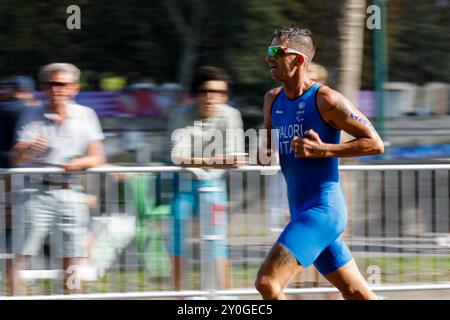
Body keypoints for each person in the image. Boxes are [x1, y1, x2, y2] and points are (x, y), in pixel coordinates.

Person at [255, 26, 384, 300]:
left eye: (277, 51)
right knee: (357, 294)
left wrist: (324, 149)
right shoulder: (271, 100)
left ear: (299, 59)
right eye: (269, 50)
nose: (269, 57)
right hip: (300, 210)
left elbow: (375, 143)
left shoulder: (326, 99)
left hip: (323, 211)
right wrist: (236, 156)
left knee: (267, 282)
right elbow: (266, 153)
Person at [9, 63, 106, 295]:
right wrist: (29, 149)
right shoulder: (30, 114)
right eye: (51, 84)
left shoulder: (86, 115)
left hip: (71, 192)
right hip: (35, 192)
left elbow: (97, 157)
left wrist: (79, 163)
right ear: (43, 88)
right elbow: (16, 157)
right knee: (20, 255)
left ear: (74, 88)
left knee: (72, 258)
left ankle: (71, 297)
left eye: (61, 84)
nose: (56, 89)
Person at [168, 66, 245, 290]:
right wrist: (213, 160)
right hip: (182, 185)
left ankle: (224, 296)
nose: (211, 97)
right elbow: (178, 157)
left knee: (217, 242)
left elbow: (235, 156)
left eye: (218, 92)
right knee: (177, 243)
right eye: (205, 91)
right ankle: (178, 296)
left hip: (213, 186)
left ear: (225, 96)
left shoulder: (231, 115)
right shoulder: (181, 114)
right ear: (196, 94)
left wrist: (205, 161)